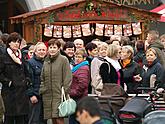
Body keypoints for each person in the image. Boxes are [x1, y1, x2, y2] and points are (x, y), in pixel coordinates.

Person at [40, 39, 72, 124]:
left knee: (59, 118)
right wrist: (43, 89)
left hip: (59, 94)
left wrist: (65, 90)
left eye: (54, 47)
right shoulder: (46, 60)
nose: (52, 49)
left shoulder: (63, 59)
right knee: (52, 118)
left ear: (58, 49)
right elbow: (42, 77)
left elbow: (68, 77)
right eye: (50, 47)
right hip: (48, 94)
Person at [0, 32, 29, 124]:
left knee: (21, 119)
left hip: (22, 92)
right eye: (14, 42)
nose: (16, 44)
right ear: (9, 43)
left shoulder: (22, 56)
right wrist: (8, 82)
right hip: (9, 92)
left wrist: (27, 80)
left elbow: (26, 71)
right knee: (9, 118)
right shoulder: (3, 56)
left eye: (18, 42)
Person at [27, 42, 47, 124]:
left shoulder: (47, 62)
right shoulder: (30, 62)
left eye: (43, 50)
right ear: (35, 52)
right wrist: (31, 94)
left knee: (43, 120)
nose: (42, 51)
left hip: (45, 96)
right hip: (35, 96)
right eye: (39, 50)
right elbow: (28, 80)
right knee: (34, 120)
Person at [69, 48, 90, 124]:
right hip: (78, 98)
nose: (77, 59)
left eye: (79, 57)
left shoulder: (83, 68)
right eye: (76, 56)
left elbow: (83, 84)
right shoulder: (78, 67)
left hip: (79, 98)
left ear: (84, 58)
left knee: (75, 120)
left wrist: (72, 92)